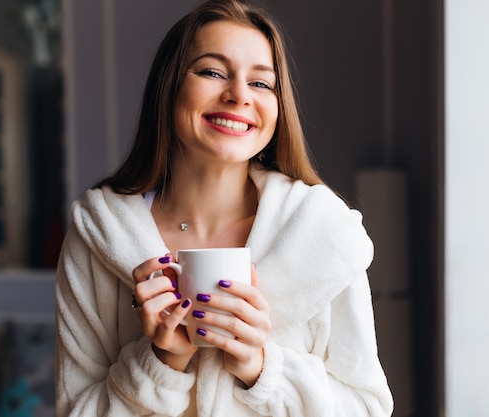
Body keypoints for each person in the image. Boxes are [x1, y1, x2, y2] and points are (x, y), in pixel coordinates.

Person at [55, 0, 393, 415]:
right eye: (213, 72)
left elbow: (367, 407)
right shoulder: (98, 237)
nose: (238, 96)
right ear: (169, 86)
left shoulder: (323, 234)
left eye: (262, 84)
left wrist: (261, 368)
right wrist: (161, 362)